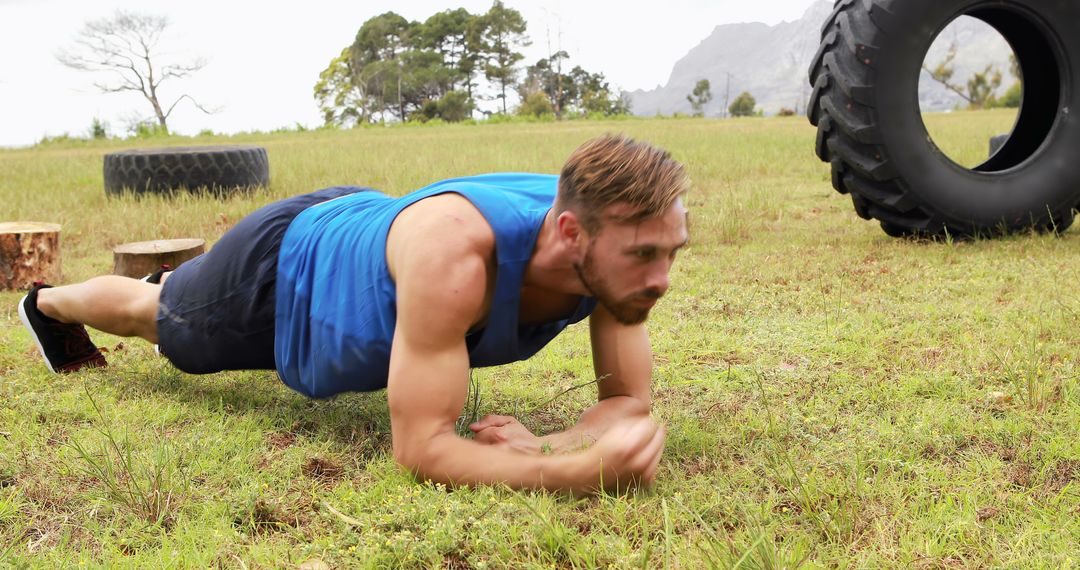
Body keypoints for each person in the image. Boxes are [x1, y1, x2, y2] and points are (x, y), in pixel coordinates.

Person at [19, 134, 690, 495]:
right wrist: (567, 470)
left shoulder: (616, 257)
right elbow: (421, 449)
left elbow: (627, 404)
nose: (661, 280)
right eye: (644, 256)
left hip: (372, 233)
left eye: (670, 252)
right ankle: (45, 302)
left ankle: (183, 282)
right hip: (287, 265)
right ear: (570, 232)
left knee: (175, 305)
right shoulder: (459, 258)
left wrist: (548, 441)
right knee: (163, 320)